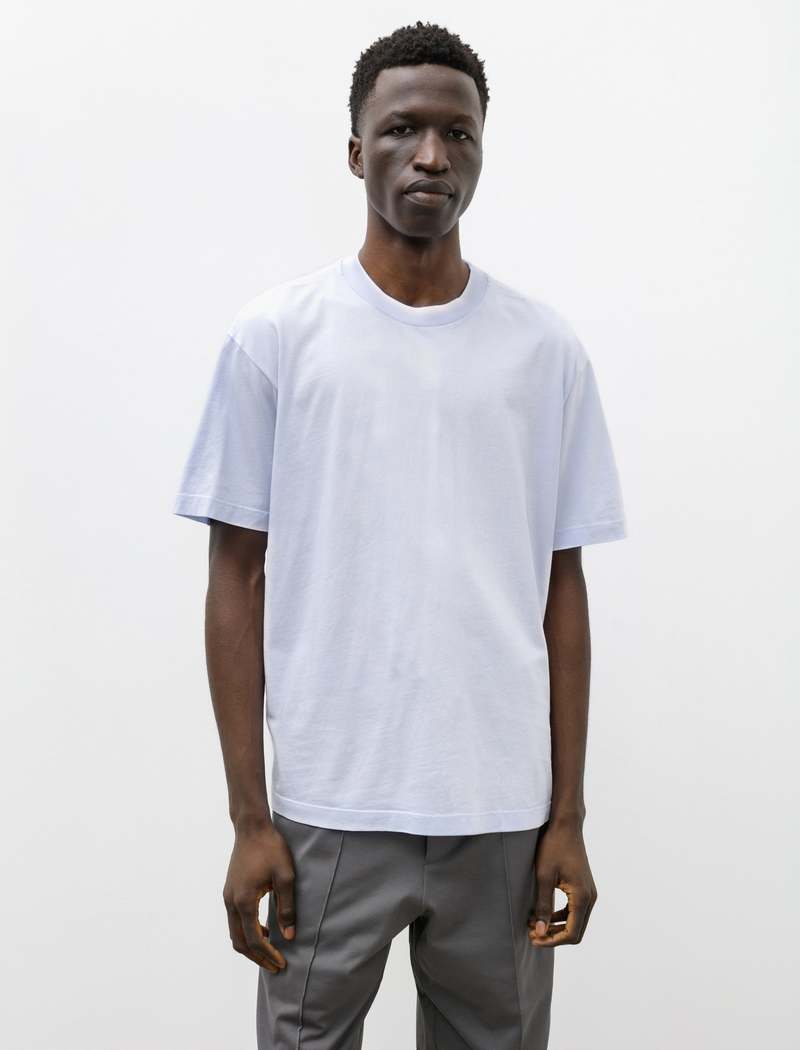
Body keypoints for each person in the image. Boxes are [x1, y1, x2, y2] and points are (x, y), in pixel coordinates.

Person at [172, 19, 628, 1050]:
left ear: (481, 151)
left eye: (456, 133)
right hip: (330, 807)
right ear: (355, 151)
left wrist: (566, 817)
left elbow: (561, 587)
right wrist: (250, 819)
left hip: (501, 814)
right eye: (401, 129)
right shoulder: (277, 338)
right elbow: (235, 577)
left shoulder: (544, 352)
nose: (430, 155)